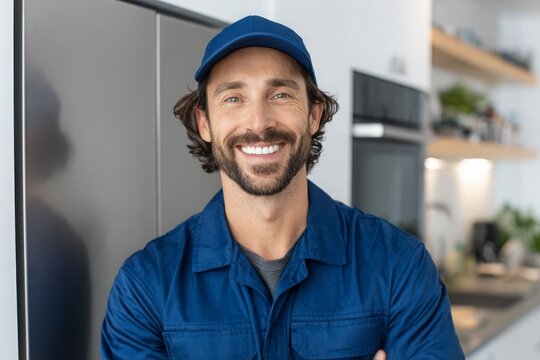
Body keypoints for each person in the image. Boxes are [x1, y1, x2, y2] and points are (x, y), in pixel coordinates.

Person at [101, 15, 464, 359]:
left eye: (281, 95)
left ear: (313, 114)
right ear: (204, 123)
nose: (259, 122)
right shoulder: (146, 287)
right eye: (233, 98)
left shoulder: (398, 267)